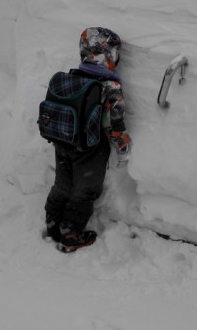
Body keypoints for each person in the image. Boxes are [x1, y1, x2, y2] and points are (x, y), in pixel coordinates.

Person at [44, 27, 132, 253]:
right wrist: (123, 148)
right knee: (85, 191)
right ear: (109, 55)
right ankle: (70, 233)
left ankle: (52, 221)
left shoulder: (74, 76)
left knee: (62, 184)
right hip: (91, 149)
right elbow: (116, 124)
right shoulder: (110, 87)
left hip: (64, 140)